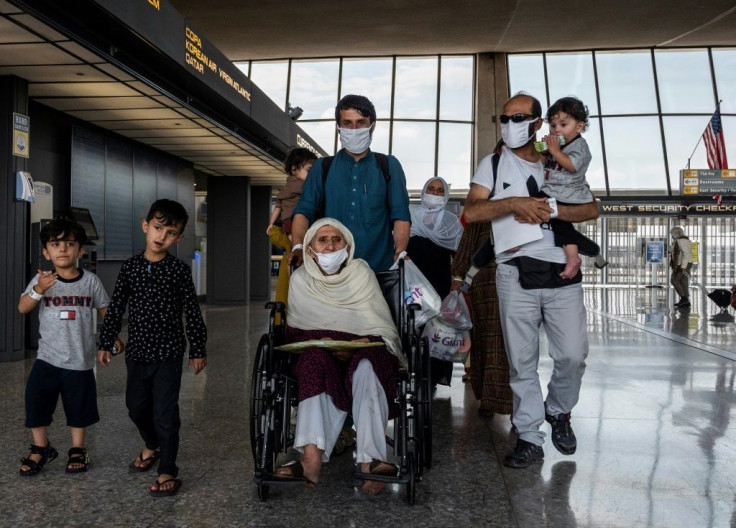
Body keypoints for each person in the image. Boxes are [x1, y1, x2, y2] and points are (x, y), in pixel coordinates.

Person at [463, 92, 600, 469]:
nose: (510, 125)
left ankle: (558, 411)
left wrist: (553, 208)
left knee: (572, 355)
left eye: (519, 117)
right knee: (521, 361)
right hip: (513, 271)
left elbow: (592, 209)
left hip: (561, 269)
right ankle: (528, 435)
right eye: (504, 119)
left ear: (538, 123)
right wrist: (513, 203)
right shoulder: (492, 164)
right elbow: (472, 211)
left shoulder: (559, 161)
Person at [274, 218, 405, 495]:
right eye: (322, 240)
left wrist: (359, 344)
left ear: (348, 245)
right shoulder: (300, 280)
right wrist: (328, 344)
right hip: (319, 353)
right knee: (311, 361)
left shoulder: (362, 274)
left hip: (364, 348)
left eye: (337, 239)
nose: (331, 245)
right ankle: (310, 459)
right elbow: (297, 331)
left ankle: (371, 459)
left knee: (368, 364)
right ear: (309, 249)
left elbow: (379, 325)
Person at [97, 199, 207, 497]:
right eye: (158, 228)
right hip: (137, 353)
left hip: (169, 353)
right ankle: (151, 444)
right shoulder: (131, 268)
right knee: (136, 407)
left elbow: (193, 312)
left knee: (165, 413)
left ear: (178, 238)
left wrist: (198, 348)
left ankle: (168, 468)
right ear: (146, 226)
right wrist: (106, 341)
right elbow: (116, 306)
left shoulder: (179, 271)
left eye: (170, 232)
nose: (162, 236)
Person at [18, 219, 115, 476]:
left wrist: (111, 336)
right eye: (56, 244)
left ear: (80, 250)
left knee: (78, 407)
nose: (63, 249)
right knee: (35, 402)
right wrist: (39, 289)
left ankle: (78, 448)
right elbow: (23, 307)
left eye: (70, 244)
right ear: (46, 252)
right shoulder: (43, 280)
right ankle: (40, 448)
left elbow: (105, 309)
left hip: (80, 361)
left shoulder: (90, 281)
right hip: (47, 359)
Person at [289, 94, 411, 273]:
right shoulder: (323, 167)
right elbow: (304, 211)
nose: (354, 129)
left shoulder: (388, 166)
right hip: (330, 270)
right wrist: (298, 248)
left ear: (372, 125)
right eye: (347, 123)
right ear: (338, 127)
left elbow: (400, 214)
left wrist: (400, 252)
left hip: (378, 270)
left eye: (361, 122)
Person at [539, 96, 607, 278]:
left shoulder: (580, 146)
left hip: (567, 193)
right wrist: (545, 152)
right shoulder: (559, 146)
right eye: (553, 126)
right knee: (557, 226)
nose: (557, 130)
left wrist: (554, 151)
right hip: (553, 190)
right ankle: (589, 250)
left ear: (579, 127)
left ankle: (573, 258)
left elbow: (572, 166)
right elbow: (546, 164)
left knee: (558, 225)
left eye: (563, 124)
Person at [449, 221, 513, 416]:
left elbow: (465, 248)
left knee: (490, 341)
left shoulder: (482, 211)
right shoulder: (521, 210)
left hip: (488, 283)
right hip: (505, 282)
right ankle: (510, 403)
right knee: (509, 343)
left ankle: (490, 400)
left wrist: (459, 276)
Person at [407, 176, 463, 386]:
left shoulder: (451, 222)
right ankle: (410, 371)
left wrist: (457, 279)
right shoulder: (410, 216)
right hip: (412, 283)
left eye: (440, 190)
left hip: (439, 283)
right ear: (423, 191)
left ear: (446, 195)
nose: (435, 193)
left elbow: (459, 254)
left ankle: (432, 375)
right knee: (412, 324)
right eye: (431, 189)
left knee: (437, 328)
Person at [267, 147, 317, 309]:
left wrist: (271, 224)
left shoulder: (286, 187)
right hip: (292, 226)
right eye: (310, 170)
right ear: (295, 169)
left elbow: (278, 206)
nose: (312, 175)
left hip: (286, 228)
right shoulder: (304, 187)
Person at [670, 226, 693, 308]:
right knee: (683, 281)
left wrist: (683, 266)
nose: (671, 235)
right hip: (681, 263)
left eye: (672, 234)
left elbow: (686, 253)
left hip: (683, 264)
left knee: (674, 280)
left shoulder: (682, 241)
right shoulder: (677, 241)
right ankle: (686, 301)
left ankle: (684, 299)